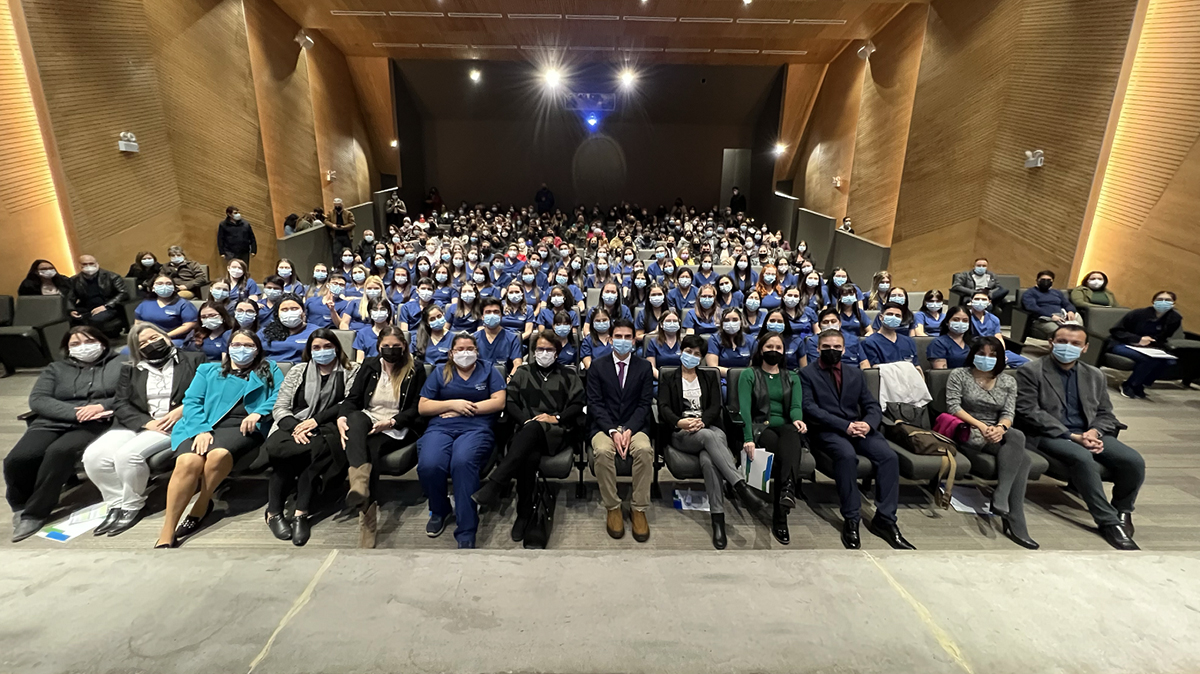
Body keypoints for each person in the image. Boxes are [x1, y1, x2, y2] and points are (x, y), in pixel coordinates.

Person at [1014, 325, 1145, 550]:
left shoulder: (1094, 375)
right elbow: (1029, 412)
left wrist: (1094, 432)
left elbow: (1105, 413)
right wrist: (1072, 436)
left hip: (1088, 433)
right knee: (1082, 457)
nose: (1068, 347)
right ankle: (1108, 521)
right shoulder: (1031, 371)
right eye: (1062, 341)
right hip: (1049, 434)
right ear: (1051, 342)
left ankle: (1123, 509)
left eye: (1075, 344)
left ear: (1085, 348)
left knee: (1133, 460)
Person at [155, 330, 281, 548]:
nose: (242, 349)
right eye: (237, 344)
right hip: (202, 424)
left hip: (241, 426)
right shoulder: (207, 370)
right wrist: (201, 430)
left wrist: (258, 412)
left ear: (257, 349)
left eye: (249, 345)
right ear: (228, 347)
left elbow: (280, 395)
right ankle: (168, 528)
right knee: (188, 462)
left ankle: (202, 503)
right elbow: (192, 401)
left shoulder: (269, 369)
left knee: (217, 455)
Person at [83, 324, 204, 537]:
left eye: (154, 337)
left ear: (165, 336)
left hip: (174, 423)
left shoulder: (195, 360)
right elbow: (121, 403)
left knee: (127, 456)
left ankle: (132, 505)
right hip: (139, 423)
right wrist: (145, 422)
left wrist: (182, 411)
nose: (150, 344)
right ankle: (115, 504)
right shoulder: (130, 368)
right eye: (143, 343)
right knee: (93, 457)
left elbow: (206, 392)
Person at [5, 326, 123, 542]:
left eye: (88, 341)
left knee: (60, 452)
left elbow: (129, 393)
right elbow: (39, 399)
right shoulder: (55, 369)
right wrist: (75, 412)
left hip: (95, 423)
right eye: (75, 344)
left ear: (102, 342)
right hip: (52, 422)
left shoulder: (120, 365)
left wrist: (100, 406)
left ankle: (35, 513)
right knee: (18, 458)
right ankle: (20, 504)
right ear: (67, 349)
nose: (83, 347)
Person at [801, 329, 914, 549]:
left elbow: (872, 405)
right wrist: (845, 426)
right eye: (826, 347)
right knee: (846, 456)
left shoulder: (855, 373)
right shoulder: (807, 374)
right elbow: (809, 408)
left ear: (844, 349)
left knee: (889, 457)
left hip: (860, 428)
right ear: (818, 349)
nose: (831, 351)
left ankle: (885, 519)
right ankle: (852, 518)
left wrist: (868, 423)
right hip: (828, 430)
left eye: (836, 347)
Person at [472, 330, 585, 542]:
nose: (544, 353)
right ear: (533, 352)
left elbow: (578, 404)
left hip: (556, 433)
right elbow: (511, 402)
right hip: (525, 431)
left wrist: (557, 418)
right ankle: (524, 514)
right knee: (530, 455)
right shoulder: (523, 372)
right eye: (540, 349)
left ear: (557, 353)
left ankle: (497, 484)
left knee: (533, 432)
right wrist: (526, 421)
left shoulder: (569, 374)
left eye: (549, 349)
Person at [663, 335, 768, 549]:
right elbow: (664, 408)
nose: (691, 356)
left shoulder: (708, 377)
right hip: (682, 434)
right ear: (681, 351)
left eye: (696, 354)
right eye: (688, 351)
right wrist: (681, 422)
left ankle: (717, 519)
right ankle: (741, 486)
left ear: (701, 358)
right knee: (712, 437)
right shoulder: (669, 378)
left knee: (709, 461)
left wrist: (703, 421)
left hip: (706, 428)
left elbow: (715, 407)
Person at [263, 329, 359, 546]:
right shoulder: (299, 371)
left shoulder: (351, 370)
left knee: (313, 453)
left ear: (336, 347)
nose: (322, 351)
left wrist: (315, 422)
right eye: (316, 348)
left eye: (327, 346)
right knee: (282, 453)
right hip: (293, 424)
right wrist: (297, 427)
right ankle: (274, 513)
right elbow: (281, 407)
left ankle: (299, 513)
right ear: (309, 350)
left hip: (329, 426)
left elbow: (350, 402)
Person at [338, 326, 426, 548]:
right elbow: (353, 398)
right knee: (355, 419)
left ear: (404, 346)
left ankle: (366, 517)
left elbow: (417, 407)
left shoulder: (415, 368)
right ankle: (359, 483)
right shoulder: (369, 365)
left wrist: (392, 422)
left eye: (396, 346)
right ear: (378, 346)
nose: (390, 350)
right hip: (370, 417)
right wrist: (341, 417)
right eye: (386, 346)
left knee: (372, 449)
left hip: (397, 424)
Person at [416, 333, 506, 549]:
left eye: (469, 349)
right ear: (451, 353)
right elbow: (424, 406)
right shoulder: (440, 372)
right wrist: (453, 404)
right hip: (441, 427)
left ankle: (466, 529)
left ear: (476, 351)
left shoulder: (488, 370)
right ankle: (440, 509)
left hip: (476, 428)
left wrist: (465, 410)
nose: (465, 353)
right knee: (429, 465)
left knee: (462, 463)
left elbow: (499, 402)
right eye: (460, 350)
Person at [946, 336, 1036, 549]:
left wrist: (1000, 428)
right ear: (973, 354)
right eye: (982, 354)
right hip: (968, 429)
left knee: (1016, 437)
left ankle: (1003, 497)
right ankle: (1014, 517)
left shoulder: (1008, 381)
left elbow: (1008, 412)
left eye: (992, 356)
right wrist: (982, 426)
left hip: (997, 432)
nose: (986, 359)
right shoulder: (959, 375)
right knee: (1023, 458)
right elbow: (953, 407)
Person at [586, 319, 655, 542]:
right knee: (603, 453)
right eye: (618, 336)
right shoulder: (598, 365)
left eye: (627, 337)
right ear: (610, 339)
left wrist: (629, 430)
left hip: (636, 426)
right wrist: (613, 431)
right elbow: (595, 403)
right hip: (604, 427)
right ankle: (613, 507)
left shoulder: (644, 367)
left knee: (644, 450)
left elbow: (645, 404)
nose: (623, 341)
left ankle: (639, 508)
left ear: (634, 340)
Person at [1109, 291, 1181, 399]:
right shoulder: (1138, 314)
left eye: (1168, 300)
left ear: (1174, 303)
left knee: (1169, 362)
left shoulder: (1175, 319)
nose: (1164, 302)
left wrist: (1152, 342)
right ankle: (1129, 385)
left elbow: (1164, 337)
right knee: (1148, 360)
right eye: (1160, 299)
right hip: (1122, 343)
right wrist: (1138, 339)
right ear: (1153, 301)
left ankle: (1141, 384)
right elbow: (1116, 331)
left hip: (1149, 348)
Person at [66, 255, 129, 338]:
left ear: (97, 264)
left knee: (95, 319)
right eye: (84, 264)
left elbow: (123, 293)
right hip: (86, 306)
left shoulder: (112, 276)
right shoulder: (74, 280)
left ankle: (98, 341)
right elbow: (70, 297)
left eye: (91, 263)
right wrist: (71, 310)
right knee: (70, 319)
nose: (88, 266)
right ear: (79, 266)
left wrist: (106, 306)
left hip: (108, 305)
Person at [134, 274, 199, 346]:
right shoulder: (145, 303)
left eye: (169, 284)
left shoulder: (183, 304)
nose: (164, 286)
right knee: (126, 352)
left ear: (174, 288)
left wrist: (164, 336)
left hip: (174, 339)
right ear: (153, 288)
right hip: (148, 339)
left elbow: (189, 325)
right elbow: (138, 324)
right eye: (159, 284)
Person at [1022, 270, 1078, 339]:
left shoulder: (1057, 293)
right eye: (1043, 279)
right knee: (1060, 332)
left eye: (1049, 280)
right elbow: (1032, 308)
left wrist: (1071, 311)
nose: (1046, 282)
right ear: (1037, 280)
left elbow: (1067, 304)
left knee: (1078, 330)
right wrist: (1051, 316)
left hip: (1061, 317)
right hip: (1043, 319)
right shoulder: (1030, 293)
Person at [862, 302, 919, 368]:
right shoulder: (870, 342)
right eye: (890, 314)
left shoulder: (909, 341)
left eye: (898, 316)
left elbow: (917, 366)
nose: (893, 317)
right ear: (881, 317)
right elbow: (874, 369)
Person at [474, 298, 522, 372]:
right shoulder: (473, 338)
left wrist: (511, 378)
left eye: (496, 312)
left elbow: (517, 363)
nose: (492, 315)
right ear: (482, 317)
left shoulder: (512, 338)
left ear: (501, 315)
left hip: (505, 380)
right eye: (488, 312)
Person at [706, 308, 754, 374]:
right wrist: (736, 374)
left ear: (741, 322)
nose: (731, 323)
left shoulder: (750, 340)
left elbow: (757, 366)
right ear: (722, 323)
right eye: (727, 320)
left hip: (746, 378)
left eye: (735, 320)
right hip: (722, 379)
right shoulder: (714, 339)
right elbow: (713, 367)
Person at [645, 309, 683, 376]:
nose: (672, 323)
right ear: (661, 324)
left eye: (675, 321)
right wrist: (663, 379)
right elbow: (651, 367)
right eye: (668, 321)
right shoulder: (653, 342)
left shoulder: (685, 342)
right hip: (659, 380)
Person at [326, 198, 356, 264]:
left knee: (349, 251)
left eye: (338, 205)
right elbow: (326, 221)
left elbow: (353, 223)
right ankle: (337, 267)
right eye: (335, 205)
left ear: (342, 204)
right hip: (336, 236)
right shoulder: (331, 213)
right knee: (336, 253)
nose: (337, 207)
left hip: (346, 235)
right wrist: (332, 225)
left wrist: (344, 227)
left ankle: (352, 264)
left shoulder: (348, 213)